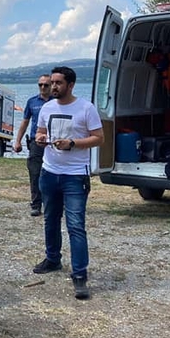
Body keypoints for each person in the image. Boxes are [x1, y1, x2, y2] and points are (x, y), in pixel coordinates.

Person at [32, 66, 104, 300]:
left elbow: (99, 138)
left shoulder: (86, 108)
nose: (53, 86)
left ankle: (80, 274)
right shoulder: (47, 107)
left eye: (58, 83)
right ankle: (53, 258)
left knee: (75, 225)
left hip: (75, 175)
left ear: (71, 85)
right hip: (49, 172)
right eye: (51, 82)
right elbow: (40, 133)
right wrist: (41, 139)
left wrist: (73, 143)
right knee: (50, 219)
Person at [13, 74, 52, 217]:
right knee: (35, 173)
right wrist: (17, 141)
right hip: (36, 142)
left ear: (51, 86)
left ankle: (54, 202)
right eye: (40, 84)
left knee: (53, 173)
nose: (42, 87)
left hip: (53, 143)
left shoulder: (58, 102)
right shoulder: (32, 102)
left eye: (46, 85)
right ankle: (36, 204)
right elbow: (25, 122)